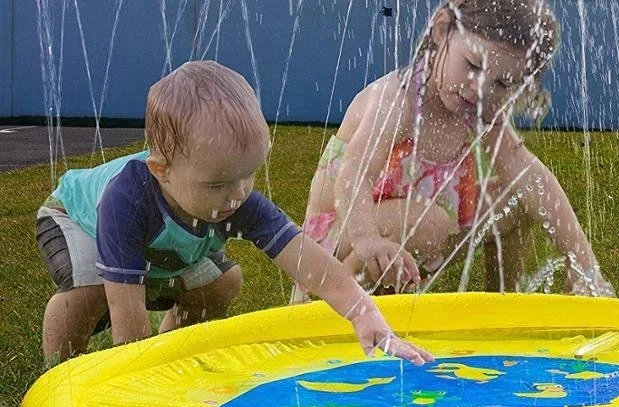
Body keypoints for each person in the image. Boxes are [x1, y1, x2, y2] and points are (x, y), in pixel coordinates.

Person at [36, 60, 432, 368]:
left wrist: (365, 316)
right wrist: (139, 383)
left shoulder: (234, 192)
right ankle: (60, 377)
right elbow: (128, 318)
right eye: (217, 185)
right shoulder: (126, 200)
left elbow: (312, 264)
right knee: (87, 290)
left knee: (224, 283)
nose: (237, 195)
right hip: (76, 218)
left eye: (248, 175)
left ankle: (175, 351)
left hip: (158, 241)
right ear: (163, 170)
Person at [293, 0, 615, 301]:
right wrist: (367, 239)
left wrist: (583, 262)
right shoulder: (398, 100)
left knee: (517, 199)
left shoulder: (477, 109)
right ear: (443, 29)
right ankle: (336, 313)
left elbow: (531, 176)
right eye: (473, 65)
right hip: (334, 249)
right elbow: (354, 176)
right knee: (430, 223)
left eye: (502, 84)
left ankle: (505, 312)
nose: (481, 90)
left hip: (421, 231)